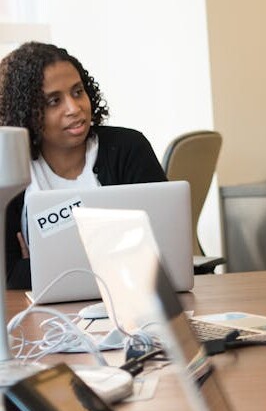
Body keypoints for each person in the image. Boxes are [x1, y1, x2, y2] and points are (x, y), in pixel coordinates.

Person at [0, 42, 166, 289]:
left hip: (132, 302)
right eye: (54, 101)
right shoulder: (11, 168)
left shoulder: (128, 148)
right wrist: (115, 258)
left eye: (78, 92)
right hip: (44, 317)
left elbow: (163, 251)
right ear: (25, 111)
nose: (74, 108)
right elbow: (11, 275)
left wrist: (42, 265)